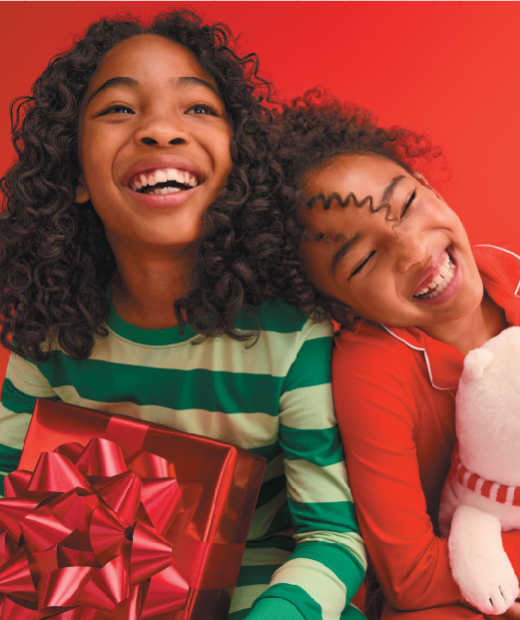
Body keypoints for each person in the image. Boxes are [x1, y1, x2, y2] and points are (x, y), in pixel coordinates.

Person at [0, 17, 366, 620]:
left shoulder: (293, 339)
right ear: (75, 178)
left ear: (237, 163)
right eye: (118, 108)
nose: (160, 129)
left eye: (197, 107)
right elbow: (11, 504)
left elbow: (333, 539)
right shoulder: (48, 334)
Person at [268, 90, 520, 620]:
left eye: (406, 205)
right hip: (467, 586)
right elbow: (412, 579)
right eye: (364, 260)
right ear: (338, 304)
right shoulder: (369, 369)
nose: (413, 251)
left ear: (428, 185)